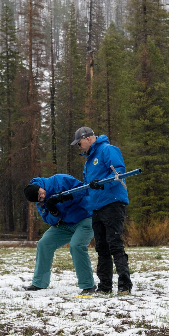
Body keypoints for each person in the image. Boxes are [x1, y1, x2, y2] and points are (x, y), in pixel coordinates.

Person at [71, 126, 132, 294]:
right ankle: (105, 286)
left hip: (112, 203)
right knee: (101, 247)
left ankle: (125, 285)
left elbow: (119, 171)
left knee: (114, 244)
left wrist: (103, 181)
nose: (79, 147)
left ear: (88, 138)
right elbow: (87, 186)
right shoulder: (89, 161)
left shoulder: (108, 150)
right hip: (96, 207)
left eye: (79, 143)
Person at [22, 175, 96, 294]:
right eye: (39, 199)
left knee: (76, 245)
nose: (42, 197)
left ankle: (88, 285)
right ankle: (39, 283)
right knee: (44, 244)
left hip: (85, 218)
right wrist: (53, 211)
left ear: (39, 187)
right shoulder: (40, 202)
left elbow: (85, 189)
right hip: (65, 224)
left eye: (40, 193)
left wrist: (68, 196)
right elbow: (49, 220)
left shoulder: (60, 180)